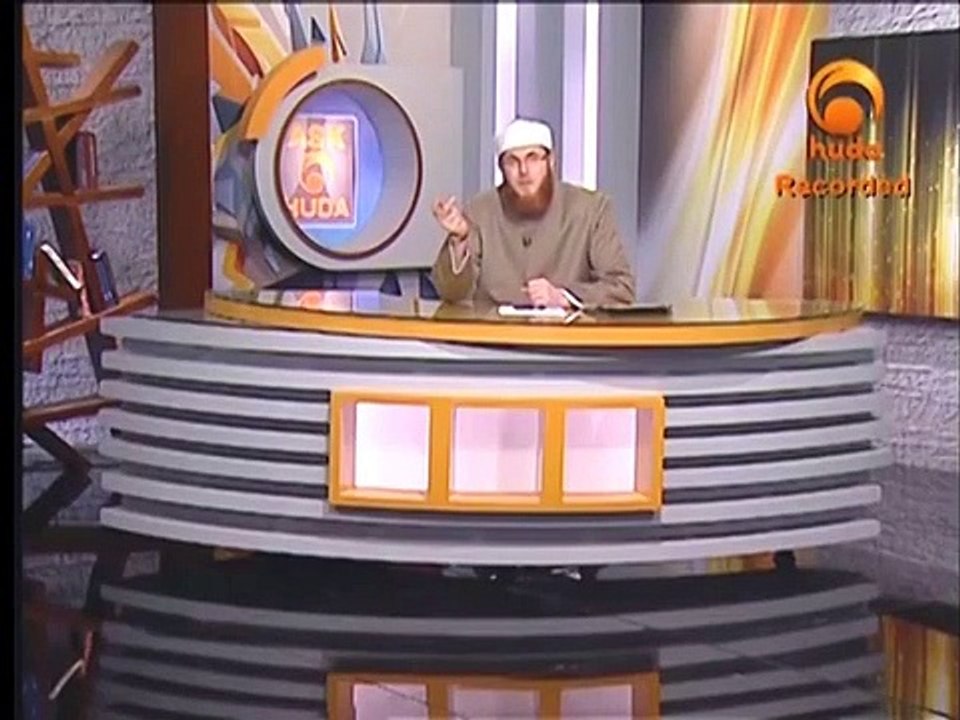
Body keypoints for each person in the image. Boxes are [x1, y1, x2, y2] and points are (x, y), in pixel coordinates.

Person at [431, 118, 636, 308]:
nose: (523, 171)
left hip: (565, 333)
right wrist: (460, 238)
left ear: (551, 161)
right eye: (513, 161)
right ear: (501, 168)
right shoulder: (480, 211)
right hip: (496, 332)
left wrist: (564, 297)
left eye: (533, 158)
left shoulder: (592, 209)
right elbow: (451, 295)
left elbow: (621, 288)